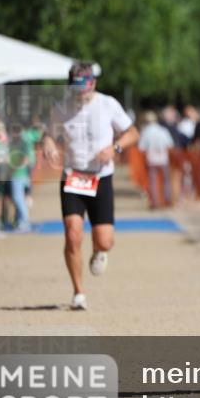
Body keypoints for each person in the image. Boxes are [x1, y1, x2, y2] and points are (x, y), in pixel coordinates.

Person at [42, 62, 139, 310]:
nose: (80, 93)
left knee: (105, 240)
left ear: (93, 84)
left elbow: (132, 133)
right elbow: (49, 133)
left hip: (101, 177)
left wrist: (115, 148)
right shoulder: (61, 108)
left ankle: (99, 250)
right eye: (76, 88)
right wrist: (49, 143)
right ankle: (79, 293)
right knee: (73, 234)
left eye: (84, 88)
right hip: (73, 175)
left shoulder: (108, 104)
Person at [138, 111, 175, 208]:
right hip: (163, 159)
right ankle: (167, 200)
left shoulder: (146, 131)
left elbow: (141, 147)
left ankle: (155, 202)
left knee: (153, 181)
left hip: (152, 159)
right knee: (166, 181)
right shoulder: (163, 130)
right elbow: (170, 144)